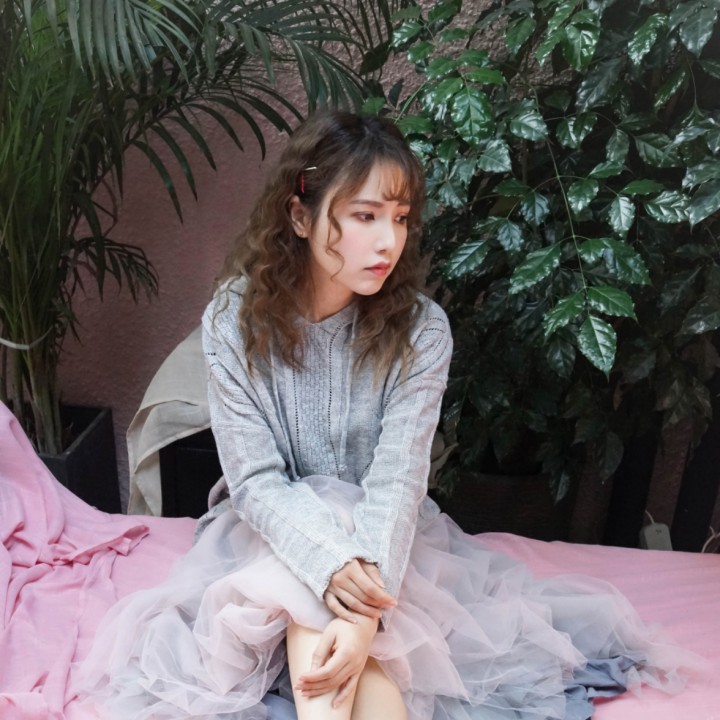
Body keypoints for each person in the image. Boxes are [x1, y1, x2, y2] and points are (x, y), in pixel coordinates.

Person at [78, 111, 689, 720]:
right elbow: (256, 482)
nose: (388, 242)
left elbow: (396, 481)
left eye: (399, 218)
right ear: (300, 216)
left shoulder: (423, 331)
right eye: (365, 216)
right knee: (303, 575)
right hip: (267, 534)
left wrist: (363, 615)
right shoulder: (233, 321)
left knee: (332, 616)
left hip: (386, 545)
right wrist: (330, 568)